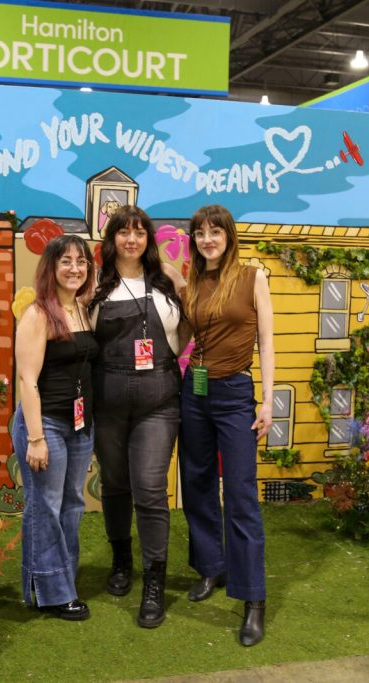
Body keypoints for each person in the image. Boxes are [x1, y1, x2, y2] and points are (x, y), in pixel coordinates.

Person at [179, 204, 274, 647]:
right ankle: (210, 567)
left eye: (215, 232)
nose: (207, 240)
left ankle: (253, 597)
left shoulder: (253, 277)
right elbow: (184, 336)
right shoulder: (193, 281)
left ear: (229, 236)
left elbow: (266, 340)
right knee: (196, 483)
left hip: (236, 392)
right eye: (200, 233)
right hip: (194, 391)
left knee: (240, 493)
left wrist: (268, 401)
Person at [89, 205, 185, 628]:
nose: (132, 239)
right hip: (107, 402)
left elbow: (183, 334)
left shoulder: (168, 281)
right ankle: (121, 561)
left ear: (149, 239)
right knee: (114, 485)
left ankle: (154, 582)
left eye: (139, 232)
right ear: (112, 239)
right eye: (123, 232)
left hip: (158, 402)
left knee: (149, 489)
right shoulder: (95, 284)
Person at [11, 235, 98, 621]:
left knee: (72, 504)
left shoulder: (81, 308)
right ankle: (51, 592)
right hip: (44, 424)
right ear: (51, 267)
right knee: (45, 505)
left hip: (79, 425)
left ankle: (63, 582)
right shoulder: (38, 314)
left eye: (81, 261)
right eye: (66, 261)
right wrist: (36, 438)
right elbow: (27, 380)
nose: (75, 268)